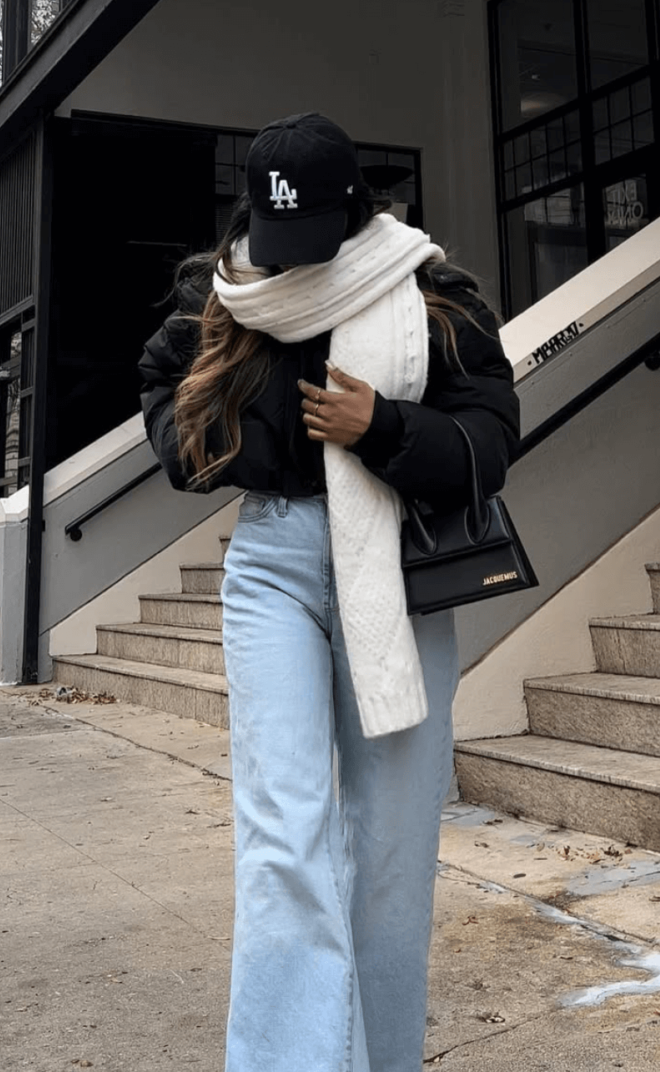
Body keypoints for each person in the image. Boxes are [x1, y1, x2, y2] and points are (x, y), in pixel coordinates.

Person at [139, 112, 519, 1072]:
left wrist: (380, 425)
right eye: (277, 241)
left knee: (393, 856)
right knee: (283, 842)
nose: (292, 263)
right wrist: (233, 449)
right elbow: (163, 397)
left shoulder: (430, 295)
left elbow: (490, 443)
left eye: (311, 240)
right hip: (272, 568)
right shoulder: (226, 291)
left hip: (394, 568)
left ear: (355, 209)